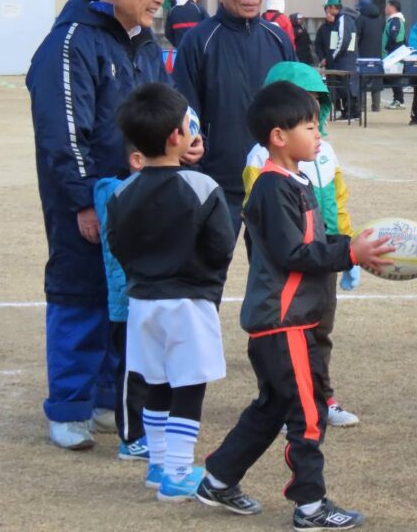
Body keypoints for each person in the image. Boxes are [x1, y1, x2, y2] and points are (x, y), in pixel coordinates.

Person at [195, 81, 393, 527]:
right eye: (309, 126)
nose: (318, 133)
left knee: (272, 408)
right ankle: (310, 506)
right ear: (279, 137)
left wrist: (350, 248)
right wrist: (348, 254)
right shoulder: (271, 187)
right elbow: (292, 254)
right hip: (283, 324)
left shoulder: (295, 181)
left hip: (292, 323)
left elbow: (312, 240)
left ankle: (218, 479)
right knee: (307, 415)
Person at [26, 0, 196, 450]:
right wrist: (83, 200)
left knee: (122, 298)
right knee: (78, 293)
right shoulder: (70, 43)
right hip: (86, 197)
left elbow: (166, 105)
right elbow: (62, 131)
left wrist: (186, 135)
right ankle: (69, 408)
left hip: (138, 195)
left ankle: (106, 398)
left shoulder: (145, 43)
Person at [106, 83, 236, 501]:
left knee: (157, 381)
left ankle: (159, 463)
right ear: (178, 136)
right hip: (188, 303)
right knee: (189, 385)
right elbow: (221, 246)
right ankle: (178, 471)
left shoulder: (122, 191)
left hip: (143, 304)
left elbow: (116, 244)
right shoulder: (201, 186)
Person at [240, 62, 363, 428]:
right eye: (305, 119)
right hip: (291, 268)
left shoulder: (323, 152)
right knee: (284, 339)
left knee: (319, 330)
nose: (314, 126)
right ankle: (282, 402)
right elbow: (270, 229)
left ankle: (321, 397)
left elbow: (336, 200)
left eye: (315, 111)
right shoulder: (262, 164)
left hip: (323, 258)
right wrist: (344, 252)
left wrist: (346, 245)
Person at [172, 0, 295, 234]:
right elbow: (184, 105)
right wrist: (195, 148)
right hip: (218, 179)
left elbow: (296, 104)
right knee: (211, 260)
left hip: (272, 179)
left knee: (274, 261)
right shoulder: (198, 40)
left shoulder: (278, 39)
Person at [93, 145, 150, 461]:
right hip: (129, 301)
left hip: (154, 298)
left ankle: (151, 428)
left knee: (155, 367)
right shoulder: (116, 192)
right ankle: (131, 436)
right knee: (132, 369)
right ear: (136, 160)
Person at [315, 0, 360, 121]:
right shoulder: (342, 19)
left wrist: (331, 57)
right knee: (344, 87)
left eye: (328, 8)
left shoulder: (343, 18)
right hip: (344, 59)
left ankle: (351, 112)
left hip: (345, 60)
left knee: (347, 87)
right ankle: (347, 112)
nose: (327, 11)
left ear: (333, 7)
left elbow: (343, 41)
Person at [356, 0, 386, 112]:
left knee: (362, 81)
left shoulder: (361, 19)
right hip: (377, 55)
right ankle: (376, 107)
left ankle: (362, 107)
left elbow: (357, 36)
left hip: (363, 55)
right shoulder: (380, 19)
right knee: (376, 81)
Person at [383, 0, 407, 109]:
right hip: (394, 53)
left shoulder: (395, 21)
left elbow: (394, 37)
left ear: (393, 8)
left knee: (395, 77)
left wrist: (387, 48)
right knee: (393, 77)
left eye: (387, 6)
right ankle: (397, 99)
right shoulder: (393, 20)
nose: (385, 9)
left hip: (394, 54)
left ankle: (399, 101)